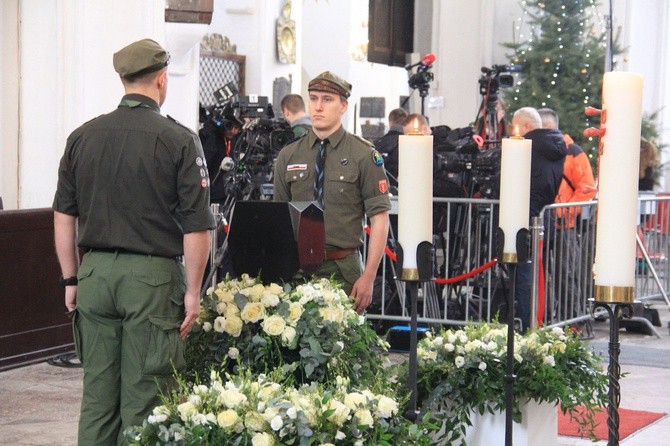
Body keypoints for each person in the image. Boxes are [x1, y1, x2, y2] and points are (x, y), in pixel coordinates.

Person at [52, 38, 215, 445]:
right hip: (151, 279)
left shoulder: (82, 136)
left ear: (123, 79)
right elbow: (197, 226)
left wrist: (71, 280)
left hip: (94, 274)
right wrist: (194, 291)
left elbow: (63, 215)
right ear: (162, 80)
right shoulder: (178, 139)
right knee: (146, 397)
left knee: (98, 398)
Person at [273, 71, 390, 313]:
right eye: (313, 98)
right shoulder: (289, 155)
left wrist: (368, 277)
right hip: (297, 271)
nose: (318, 107)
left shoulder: (363, 155)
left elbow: (379, 219)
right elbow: (279, 217)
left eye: (327, 99)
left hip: (343, 270)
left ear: (343, 106)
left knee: (343, 347)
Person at [510, 107, 566, 331]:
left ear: (526, 126)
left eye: (515, 127)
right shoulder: (555, 146)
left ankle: (527, 324)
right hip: (545, 216)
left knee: (526, 274)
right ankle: (537, 320)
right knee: (538, 273)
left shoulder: (529, 147)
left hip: (526, 217)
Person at [538, 108, 596, 321]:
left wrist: (563, 212)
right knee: (542, 276)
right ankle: (545, 319)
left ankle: (572, 321)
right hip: (544, 223)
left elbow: (587, 188)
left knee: (566, 274)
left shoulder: (573, 152)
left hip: (563, 224)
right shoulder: (540, 151)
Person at [374, 107, 408, 188]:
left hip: (381, 188)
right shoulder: (409, 144)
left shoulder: (378, 144)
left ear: (390, 122)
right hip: (403, 189)